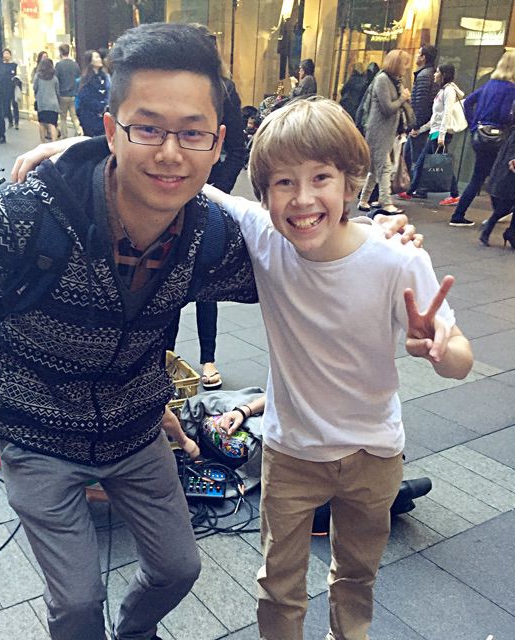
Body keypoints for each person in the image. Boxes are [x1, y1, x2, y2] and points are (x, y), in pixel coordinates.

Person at [0, 21, 417, 640]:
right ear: (112, 130)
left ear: (217, 143)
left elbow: (306, 263)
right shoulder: (32, 212)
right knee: (77, 602)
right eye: (148, 128)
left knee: (178, 569)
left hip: (136, 427)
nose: (169, 152)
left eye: (191, 133)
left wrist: (371, 240)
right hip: (36, 431)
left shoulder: (209, 234)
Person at [203, 97, 473, 640]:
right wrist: (77, 147)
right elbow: (192, 183)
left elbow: (460, 362)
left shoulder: (397, 258)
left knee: (356, 576)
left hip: (374, 453)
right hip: (291, 452)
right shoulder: (266, 238)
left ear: (351, 184)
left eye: (320, 177)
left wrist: (441, 348)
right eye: (284, 182)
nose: (303, 199)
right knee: (278, 583)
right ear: (265, 195)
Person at [166, 26, 246, 391]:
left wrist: (213, 191)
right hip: (170, 196)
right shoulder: (170, 85)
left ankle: (208, 357)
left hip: (208, 196)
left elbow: (238, 149)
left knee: (206, 282)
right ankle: (162, 358)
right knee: (166, 282)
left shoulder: (224, 89)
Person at [449, 51, 515, 228]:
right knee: (496, 177)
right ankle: (497, 214)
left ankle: (459, 214)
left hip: (480, 136)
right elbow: (504, 114)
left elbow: (468, 102)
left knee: (478, 177)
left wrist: (473, 125)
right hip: (497, 138)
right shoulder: (511, 89)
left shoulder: (489, 85)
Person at [399, 63, 463, 208]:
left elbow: (446, 114)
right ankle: (411, 191)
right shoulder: (442, 91)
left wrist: (441, 135)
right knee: (423, 162)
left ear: (443, 75)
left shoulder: (449, 91)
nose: (435, 74)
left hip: (439, 134)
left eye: (437, 72)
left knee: (440, 163)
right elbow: (436, 118)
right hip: (435, 132)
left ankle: (454, 194)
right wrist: (421, 130)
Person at [358, 49, 412, 215]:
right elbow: (387, 107)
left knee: (376, 169)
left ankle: (364, 200)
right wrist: (402, 98)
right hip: (378, 131)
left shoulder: (396, 81)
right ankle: (386, 202)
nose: (406, 68)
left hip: (388, 131)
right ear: (396, 64)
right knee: (384, 167)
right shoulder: (382, 80)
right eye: (404, 64)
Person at [403, 44, 438, 178]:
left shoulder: (424, 75)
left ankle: (416, 185)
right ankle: (411, 184)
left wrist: (416, 126)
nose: (416, 56)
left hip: (421, 125)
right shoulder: (429, 73)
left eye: (419, 53)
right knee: (409, 155)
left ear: (423, 57)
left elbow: (421, 103)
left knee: (415, 159)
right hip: (424, 123)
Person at [480, 124, 515, 248]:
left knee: (506, 206)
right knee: (506, 206)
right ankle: (507, 233)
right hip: (510, 174)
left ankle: (508, 233)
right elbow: (511, 151)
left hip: (506, 172)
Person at [76, 49, 109, 137]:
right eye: (96, 57)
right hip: (90, 116)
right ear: (90, 61)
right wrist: (99, 106)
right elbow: (85, 97)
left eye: (99, 57)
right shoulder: (86, 79)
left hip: (102, 117)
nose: (100, 59)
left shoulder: (103, 76)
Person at [55, 43, 82, 138]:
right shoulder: (75, 65)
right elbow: (78, 78)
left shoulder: (58, 65)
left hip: (63, 94)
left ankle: (64, 135)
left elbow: (56, 80)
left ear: (60, 52)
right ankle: (78, 131)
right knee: (74, 116)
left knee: (63, 117)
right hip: (74, 94)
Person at [33, 57, 60, 143]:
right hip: (53, 104)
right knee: (52, 124)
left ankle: (43, 142)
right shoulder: (54, 78)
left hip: (42, 103)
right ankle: (54, 142)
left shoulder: (37, 76)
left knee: (42, 123)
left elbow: (35, 88)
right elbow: (57, 91)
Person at [0, 48, 20, 130]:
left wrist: (16, 82)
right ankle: (10, 121)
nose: (6, 55)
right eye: (4, 53)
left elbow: (18, 76)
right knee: (6, 106)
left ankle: (16, 122)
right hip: (4, 88)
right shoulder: (1, 65)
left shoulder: (14, 65)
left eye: (7, 53)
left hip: (13, 88)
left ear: (10, 55)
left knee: (15, 105)